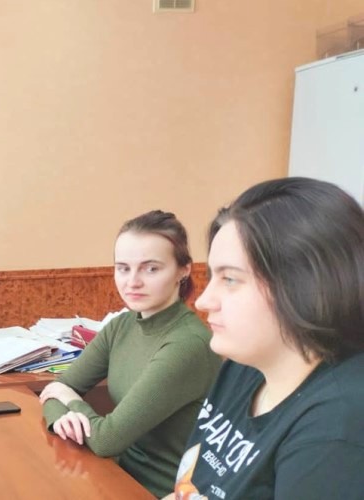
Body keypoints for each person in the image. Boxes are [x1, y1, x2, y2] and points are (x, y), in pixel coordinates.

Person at [167, 178, 364, 499]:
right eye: (212, 276)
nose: (203, 301)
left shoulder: (335, 429)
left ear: (305, 286)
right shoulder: (245, 365)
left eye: (230, 279)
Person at [40, 210, 222, 497]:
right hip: (117, 475)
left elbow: (107, 440)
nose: (132, 282)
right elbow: (58, 387)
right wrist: (61, 416)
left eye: (151, 269)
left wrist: (70, 401)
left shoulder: (188, 344)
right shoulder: (122, 325)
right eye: (123, 268)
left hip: (162, 490)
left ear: (183, 270)